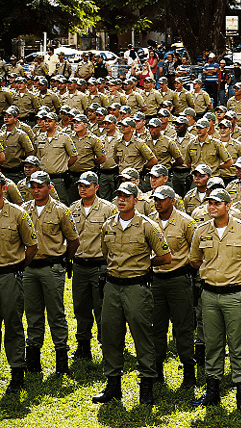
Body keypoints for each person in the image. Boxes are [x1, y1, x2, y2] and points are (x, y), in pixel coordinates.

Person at [189, 188, 241, 409]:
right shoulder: (201, 231)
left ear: (228, 205)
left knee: (237, 345)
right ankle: (212, 391)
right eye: (210, 203)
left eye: (217, 203)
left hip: (235, 295)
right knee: (212, 344)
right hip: (209, 295)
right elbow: (195, 260)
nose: (212, 207)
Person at [92, 181, 171, 405]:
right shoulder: (108, 225)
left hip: (137, 287)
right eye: (119, 196)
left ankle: (146, 385)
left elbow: (166, 257)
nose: (122, 199)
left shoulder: (147, 226)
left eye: (127, 196)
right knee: (110, 335)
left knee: (142, 336)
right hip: (112, 286)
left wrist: (142, 263)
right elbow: (106, 254)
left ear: (136, 199)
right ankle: (113, 385)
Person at [23, 171, 80, 375]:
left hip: (52, 267)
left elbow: (73, 240)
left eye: (40, 186)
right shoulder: (24, 210)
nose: (36, 190)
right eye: (33, 187)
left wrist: (63, 260)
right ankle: (33, 362)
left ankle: (61, 359)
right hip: (29, 269)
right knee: (33, 315)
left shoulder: (60, 210)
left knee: (56, 314)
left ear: (49, 186)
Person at [149, 185, 198, 389]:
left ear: (172, 200)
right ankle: (157, 372)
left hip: (179, 279)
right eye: (155, 199)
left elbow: (197, 251)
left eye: (162, 199)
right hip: (156, 281)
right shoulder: (149, 220)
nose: (157, 203)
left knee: (183, 327)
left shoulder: (186, 223)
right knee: (156, 327)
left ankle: (189, 373)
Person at [69, 172, 117, 360]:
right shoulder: (72, 209)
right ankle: (83, 346)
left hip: (100, 266)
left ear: (96, 187)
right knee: (80, 307)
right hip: (80, 265)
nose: (82, 189)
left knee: (102, 309)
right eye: (80, 185)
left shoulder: (108, 209)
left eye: (87, 186)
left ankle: (107, 347)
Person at [0, 172, 38, 393]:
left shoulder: (18, 214)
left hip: (9, 276)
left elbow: (32, 246)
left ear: (4, 189)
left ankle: (16, 372)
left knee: (13, 325)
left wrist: (17, 267)